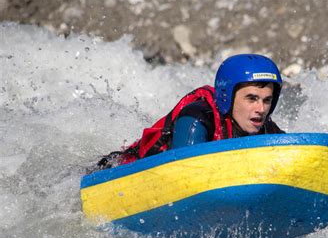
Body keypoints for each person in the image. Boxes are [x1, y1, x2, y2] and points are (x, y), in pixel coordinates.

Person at [96, 54, 285, 170]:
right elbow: (185, 177)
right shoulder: (196, 118)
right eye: (251, 98)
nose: (260, 109)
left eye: (267, 100)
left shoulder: (264, 125)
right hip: (116, 171)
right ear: (228, 97)